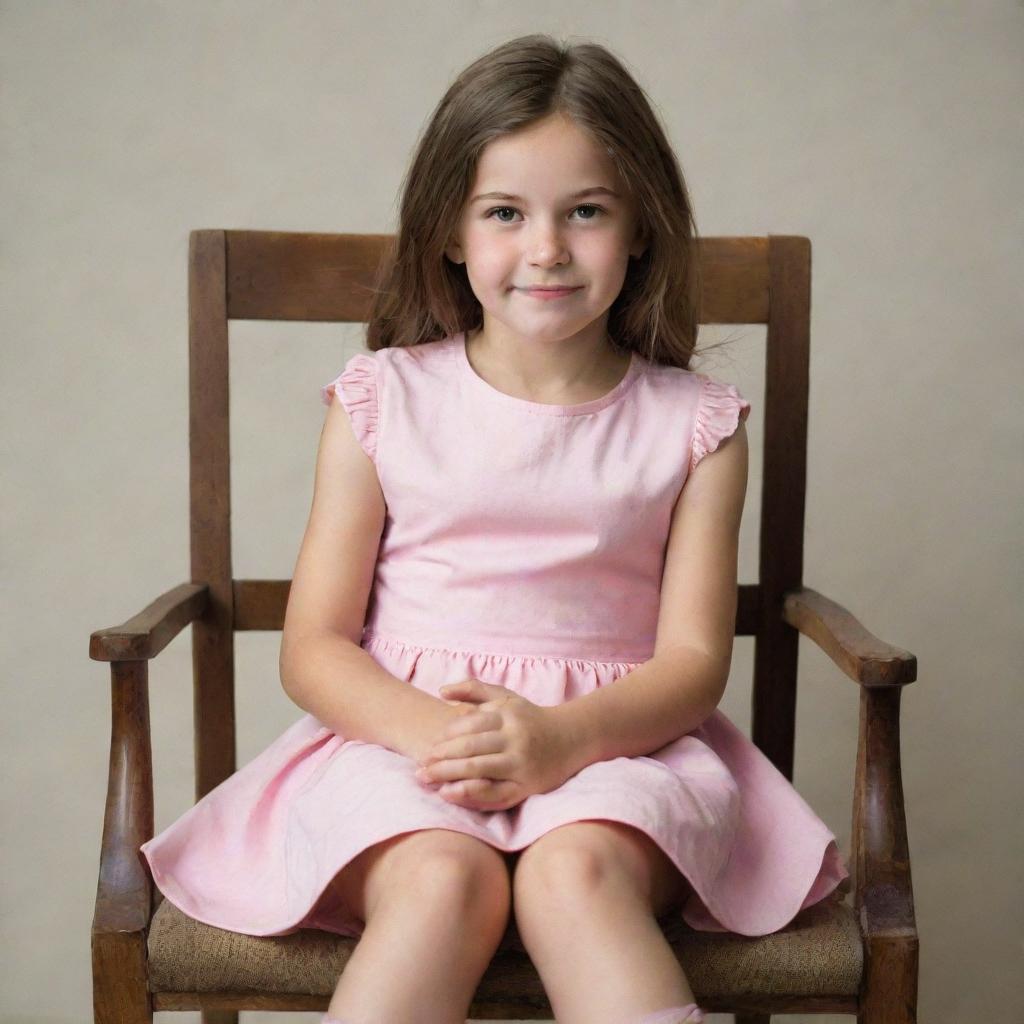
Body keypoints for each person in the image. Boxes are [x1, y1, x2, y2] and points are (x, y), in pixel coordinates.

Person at [139, 33, 850, 1024]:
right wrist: (443, 736)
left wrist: (562, 739)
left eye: (587, 212)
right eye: (505, 212)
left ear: (641, 226)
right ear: (450, 231)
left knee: (576, 874)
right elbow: (314, 645)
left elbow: (693, 659)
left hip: (619, 748)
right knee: (440, 881)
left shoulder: (694, 424)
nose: (546, 248)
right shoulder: (381, 401)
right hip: (402, 741)